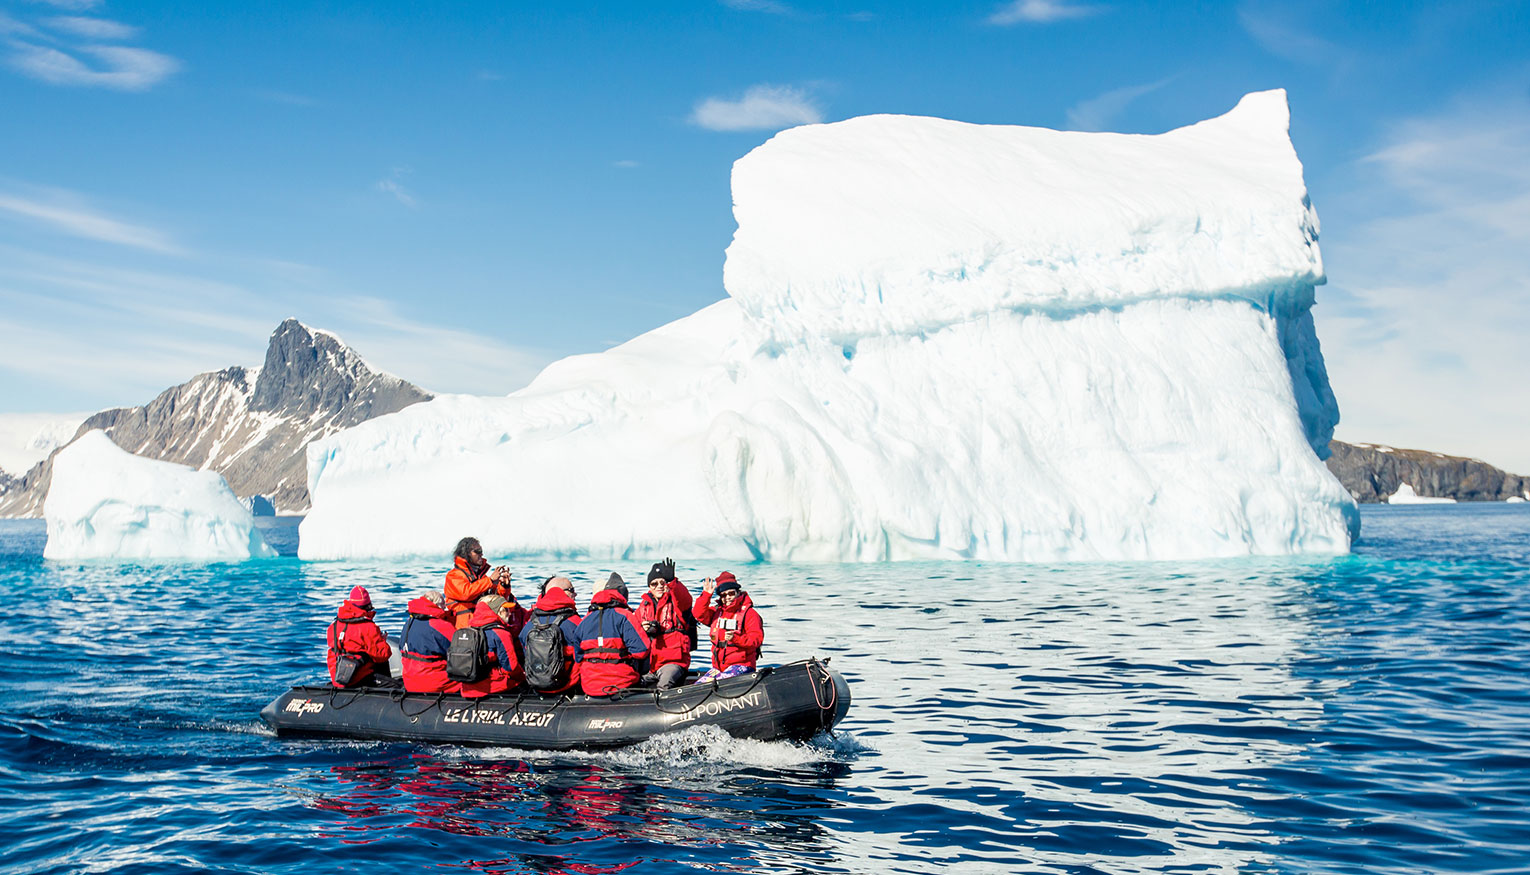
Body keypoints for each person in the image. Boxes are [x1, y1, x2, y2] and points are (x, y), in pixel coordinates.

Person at [574, 583, 650, 697]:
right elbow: (641, 651)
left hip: (589, 686)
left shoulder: (584, 620)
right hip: (621, 682)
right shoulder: (625, 615)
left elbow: (577, 657)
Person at [692, 571, 763, 683]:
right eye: (724, 595)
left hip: (742, 666)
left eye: (731, 593)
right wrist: (706, 595)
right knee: (697, 687)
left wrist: (735, 639)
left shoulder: (750, 614)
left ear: (738, 592)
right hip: (719, 668)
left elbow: (756, 640)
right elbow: (698, 614)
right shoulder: (717, 612)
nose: (728, 598)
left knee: (720, 682)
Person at [634, 559, 695, 689]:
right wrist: (644, 630)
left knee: (664, 685)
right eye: (654, 584)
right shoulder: (643, 607)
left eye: (662, 582)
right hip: (652, 666)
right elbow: (633, 631)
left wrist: (672, 581)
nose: (659, 586)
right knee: (632, 682)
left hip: (673, 663)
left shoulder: (677, 603)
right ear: (649, 586)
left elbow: (685, 599)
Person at [520, 576, 583, 694]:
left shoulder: (530, 623)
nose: (575, 594)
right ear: (560, 592)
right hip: (567, 686)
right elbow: (582, 657)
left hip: (536, 684)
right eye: (572, 590)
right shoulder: (575, 622)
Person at [327, 585, 392, 688]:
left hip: (338, 678)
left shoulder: (333, 626)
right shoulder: (368, 627)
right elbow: (383, 655)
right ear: (367, 606)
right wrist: (382, 641)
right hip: (359, 678)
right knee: (395, 685)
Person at [461, 595, 525, 698]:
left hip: (467, 688)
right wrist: (524, 677)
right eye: (506, 610)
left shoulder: (468, 630)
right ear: (497, 611)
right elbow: (511, 667)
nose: (510, 613)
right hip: (493, 687)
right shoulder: (501, 634)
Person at [444, 536, 514, 629]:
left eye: (481, 551)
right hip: (462, 628)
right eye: (477, 551)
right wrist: (490, 580)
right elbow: (466, 593)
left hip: (482, 625)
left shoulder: (481, 578)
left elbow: (496, 600)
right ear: (466, 553)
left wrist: (504, 585)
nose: (481, 554)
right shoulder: (453, 576)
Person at [400, 590, 460, 694]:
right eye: (443, 606)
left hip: (410, 681)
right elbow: (462, 650)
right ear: (437, 606)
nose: (446, 609)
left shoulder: (408, 623)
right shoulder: (440, 625)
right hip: (435, 683)